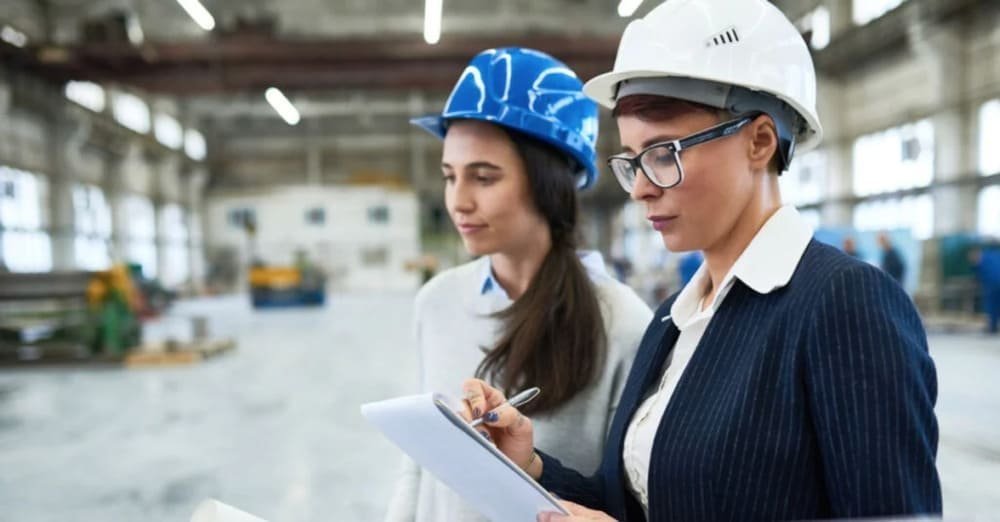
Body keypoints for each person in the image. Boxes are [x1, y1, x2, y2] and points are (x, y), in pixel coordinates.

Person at [460, 2, 941, 521]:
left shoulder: (842, 303)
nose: (641, 188)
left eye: (665, 153)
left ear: (759, 141)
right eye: (632, 160)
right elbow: (641, 500)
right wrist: (529, 462)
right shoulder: (675, 318)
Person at [384, 47, 652, 522]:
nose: (458, 202)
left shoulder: (622, 323)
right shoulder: (437, 301)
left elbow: (626, 499)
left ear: (550, 182)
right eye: (450, 177)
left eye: (483, 177)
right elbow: (416, 468)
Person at [970, 243, 1000, 334]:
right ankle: (993, 326)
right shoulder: (994, 255)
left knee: (992, 305)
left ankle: (993, 327)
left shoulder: (982, 260)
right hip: (994, 282)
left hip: (992, 284)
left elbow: (978, 277)